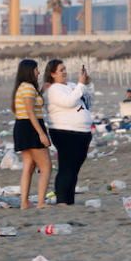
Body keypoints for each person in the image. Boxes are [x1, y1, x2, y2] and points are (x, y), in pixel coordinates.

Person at [42, 59, 94, 206]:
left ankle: (69, 199)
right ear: (52, 74)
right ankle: (62, 200)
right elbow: (69, 102)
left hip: (82, 132)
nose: (64, 72)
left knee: (75, 167)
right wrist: (81, 86)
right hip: (65, 132)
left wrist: (87, 84)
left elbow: (88, 101)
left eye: (65, 69)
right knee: (66, 167)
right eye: (61, 70)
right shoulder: (53, 89)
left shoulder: (72, 85)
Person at [11, 59, 51, 209]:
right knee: (46, 165)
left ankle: (24, 202)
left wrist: (42, 91)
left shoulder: (24, 87)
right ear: (29, 71)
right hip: (30, 127)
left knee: (29, 165)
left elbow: (30, 105)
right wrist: (41, 134)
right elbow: (30, 112)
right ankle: (41, 202)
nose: (38, 72)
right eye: (36, 70)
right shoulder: (27, 88)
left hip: (23, 125)